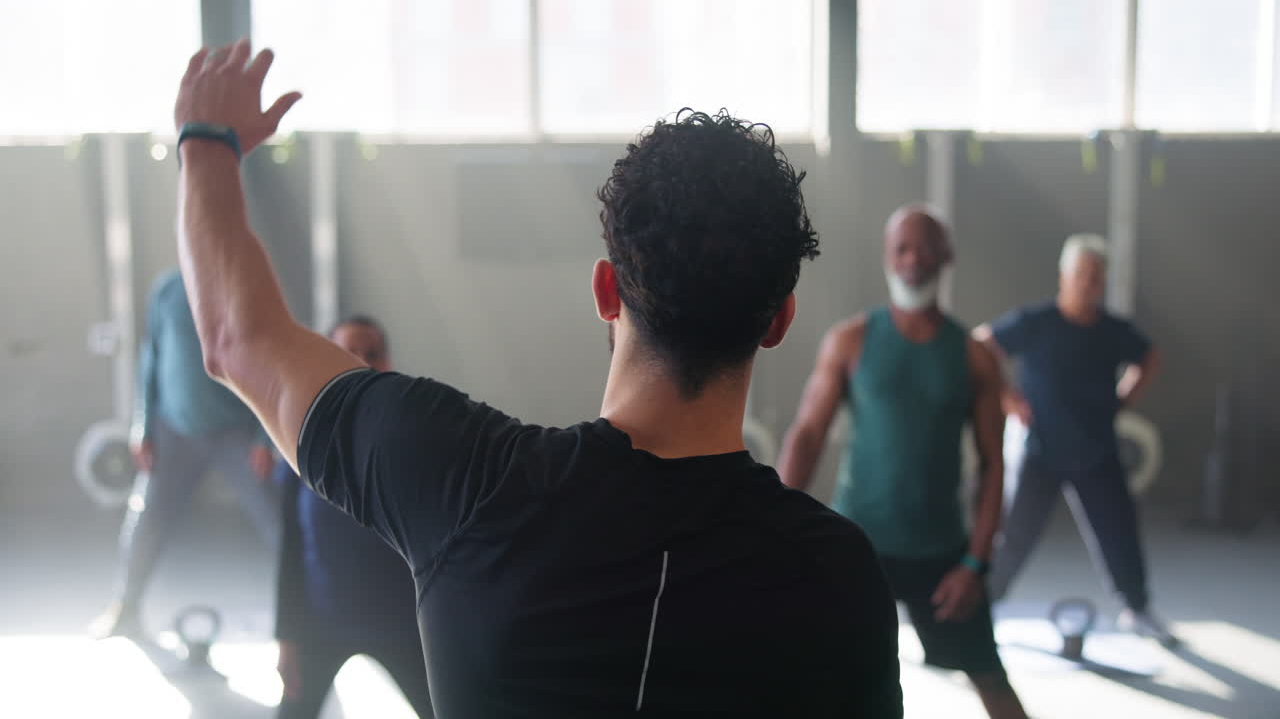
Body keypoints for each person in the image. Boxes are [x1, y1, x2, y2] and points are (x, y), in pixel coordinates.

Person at [168, 40, 902, 717]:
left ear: (606, 291)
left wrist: (206, 142)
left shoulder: (472, 489)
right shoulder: (839, 578)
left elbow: (237, 339)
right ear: (777, 321)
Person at [779, 206, 1028, 719]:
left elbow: (993, 468)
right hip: (855, 547)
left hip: (943, 557)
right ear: (888, 258)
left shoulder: (975, 356)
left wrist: (976, 564)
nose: (913, 259)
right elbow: (807, 434)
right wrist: (775, 528)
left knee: (990, 677)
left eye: (925, 248)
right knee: (822, 682)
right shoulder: (850, 340)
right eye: (902, 249)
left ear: (946, 257)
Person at [975, 233, 1176, 646]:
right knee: (1014, 537)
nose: (1088, 283)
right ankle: (983, 608)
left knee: (1119, 533)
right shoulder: (1036, 322)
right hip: (1041, 451)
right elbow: (981, 343)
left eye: (1096, 277)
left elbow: (1150, 357)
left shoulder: (1112, 331)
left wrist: (1124, 397)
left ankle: (1137, 609)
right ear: (1065, 276)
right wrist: (1007, 398)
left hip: (1097, 451)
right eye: (1082, 274)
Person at [92, 268, 278, 639]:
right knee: (146, 518)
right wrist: (142, 426)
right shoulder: (167, 291)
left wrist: (264, 437)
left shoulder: (247, 286)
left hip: (234, 430)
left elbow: (271, 364)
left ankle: (307, 612)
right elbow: (151, 359)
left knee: (276, 519)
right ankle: (125, 608)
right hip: (174, 430)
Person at [274, 315, 433, 718]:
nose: (361, 362)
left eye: (372, 354)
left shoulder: (417, 440)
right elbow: (289, 549)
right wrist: (287, 638)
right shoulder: (298, 443)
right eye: (348, 352)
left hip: (405, 625)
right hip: (321, 624)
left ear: (388, 363)